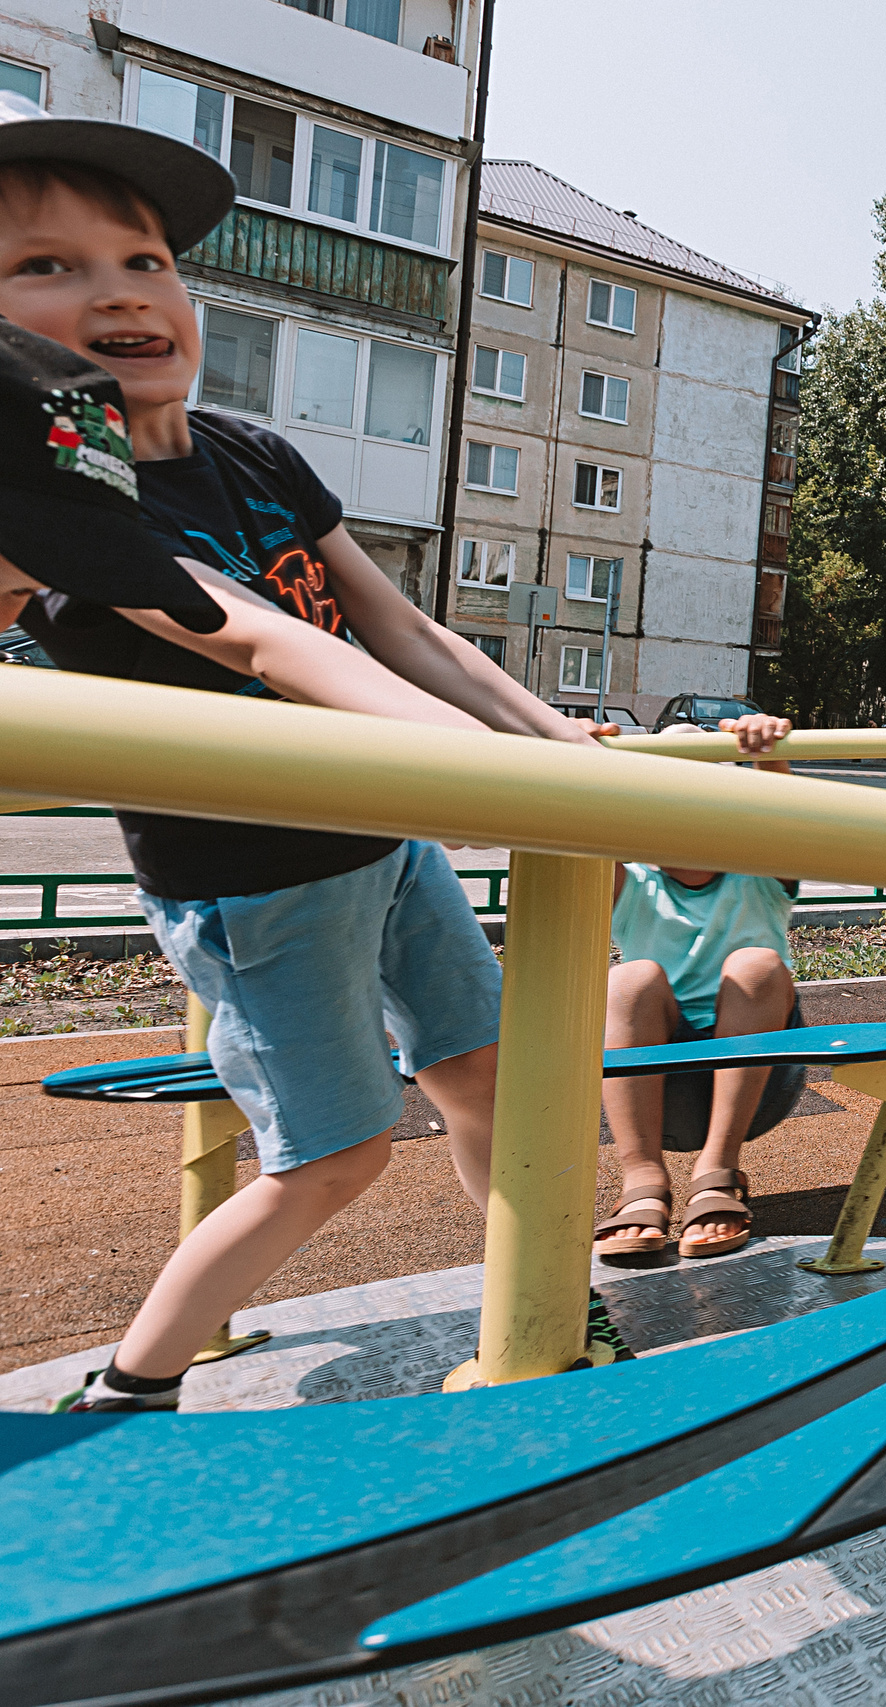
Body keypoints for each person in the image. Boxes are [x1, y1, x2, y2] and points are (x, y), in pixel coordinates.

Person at [0, 99, 607, 1413]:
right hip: (253, 879)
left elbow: (399, 627)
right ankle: (133, 1378)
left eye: (144, 260)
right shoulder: (63, 506)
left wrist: (559, 739)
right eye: (46, 266)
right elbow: (276, 649)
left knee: (493, 1078)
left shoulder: (253, 454)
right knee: (333, 1156)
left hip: (385, 837)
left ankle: (548, 1307)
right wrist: (519, 780)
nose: (117, 292)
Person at [592, 714, 808, 1261]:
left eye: (700, 805)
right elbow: (580, 828)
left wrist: (767, 752)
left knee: (756, 964)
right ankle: (641, 1177)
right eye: (665, 809)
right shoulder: (632, 880)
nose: (682, 826)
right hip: (659, 1085)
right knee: (630, 979)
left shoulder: (757, 872)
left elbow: (788, 817)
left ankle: (717, 1169)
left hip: (758, 1071)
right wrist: (582, 756)